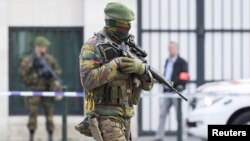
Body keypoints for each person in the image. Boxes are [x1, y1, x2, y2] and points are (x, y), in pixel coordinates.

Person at [76, 2, 154, 141]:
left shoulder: (129, 47)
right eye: (123, 26)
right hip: (105, 116)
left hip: (126, 116)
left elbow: (148, 85)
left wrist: (141, 69)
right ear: (111, 24)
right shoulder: (93, 47)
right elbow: (87, 80)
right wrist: (114, 65)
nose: (126, 30)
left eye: (128, 26)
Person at [19, 36, 62, 141]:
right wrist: (35, 76)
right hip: (34, 90)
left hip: (47, 90)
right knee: (32, 115)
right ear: (37, 47)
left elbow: (58, 71)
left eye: (46, 47)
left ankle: (50, 136)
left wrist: (50, 75)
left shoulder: (49, 59)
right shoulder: (29, 59)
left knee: (49, 115)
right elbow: (22, 73)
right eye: (44, 46)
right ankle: (31, 136)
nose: (45, 48)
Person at [155, 41, 189, 141]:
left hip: (176, 93)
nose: (171, 50)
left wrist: (178, 86)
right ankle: (159, 137)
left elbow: (184, 76)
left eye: (173, 48)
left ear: (177, 49)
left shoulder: (182, 62)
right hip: (166, 92)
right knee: (162, 114)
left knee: (179, 116)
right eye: (169, 48)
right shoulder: (167, 61)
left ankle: (183, 137)